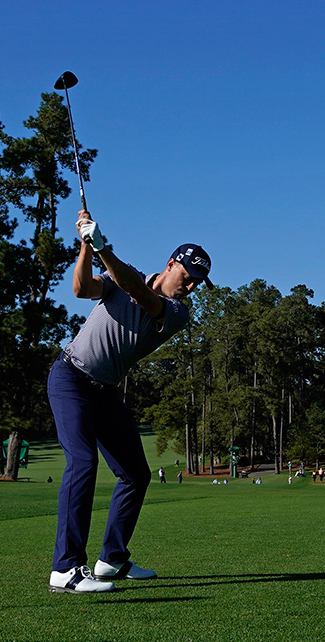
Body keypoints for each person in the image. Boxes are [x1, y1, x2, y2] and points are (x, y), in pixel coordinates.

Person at [47, 210, 213, 595]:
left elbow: (141, 295)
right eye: (187, 277)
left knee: (135, 474)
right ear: (170, 264)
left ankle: (112, 559)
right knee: (83, 463)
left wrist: (103, 246)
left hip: (104, 392)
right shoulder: (125, 275)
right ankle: (65, 569)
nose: (189, 288)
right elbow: (81, 289)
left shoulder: (176, 313)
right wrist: (87, 247)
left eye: (196, 284)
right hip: (70, 378)